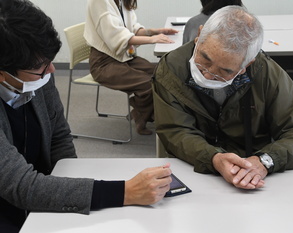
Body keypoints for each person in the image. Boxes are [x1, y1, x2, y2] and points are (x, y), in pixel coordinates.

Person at [0, 0, 172, 232]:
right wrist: (125, 191)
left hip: (38, 193)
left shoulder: (37, 77)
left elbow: (59, 137)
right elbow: (21, 186)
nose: (52, 71)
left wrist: (73, 190)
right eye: (40, 66)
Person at [153, 6, 293, 190]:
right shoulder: (172, 69)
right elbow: (176, 132)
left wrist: (265, 160)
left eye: (225, 71)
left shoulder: (265, 73)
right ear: (199, 34)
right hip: (192, 170)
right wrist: (214, 158)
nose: (209, 75)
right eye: (205, 59)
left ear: (247, 65)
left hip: (251, 175)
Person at [84, 0, 178, 135]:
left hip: (124, 57)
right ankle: (142, 115)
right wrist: (152, 39)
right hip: (103, 63)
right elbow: (117, 37)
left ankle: (140, 112)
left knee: (163, 73)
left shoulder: (121, 1)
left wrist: (154, 32)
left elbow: (132, 29)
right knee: (148, 83)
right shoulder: (99, 2)